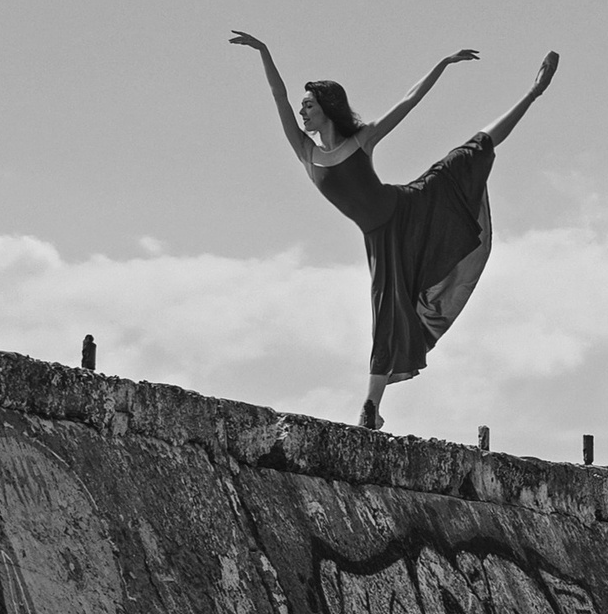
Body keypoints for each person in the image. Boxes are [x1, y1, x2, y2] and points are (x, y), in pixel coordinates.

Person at [231, 33, 559, 428]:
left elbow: (409, 100)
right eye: (302, 105)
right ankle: (372, 407)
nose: (302, 111)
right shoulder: (306, 152)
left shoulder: (361, 140)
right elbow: (278, 95)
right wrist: (264, 52)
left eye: (309, 105)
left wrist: (442, 64)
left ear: (327, 108)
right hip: (379, 238)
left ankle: (533, 93)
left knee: (469, 154)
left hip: (408, 209)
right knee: (387, 314)